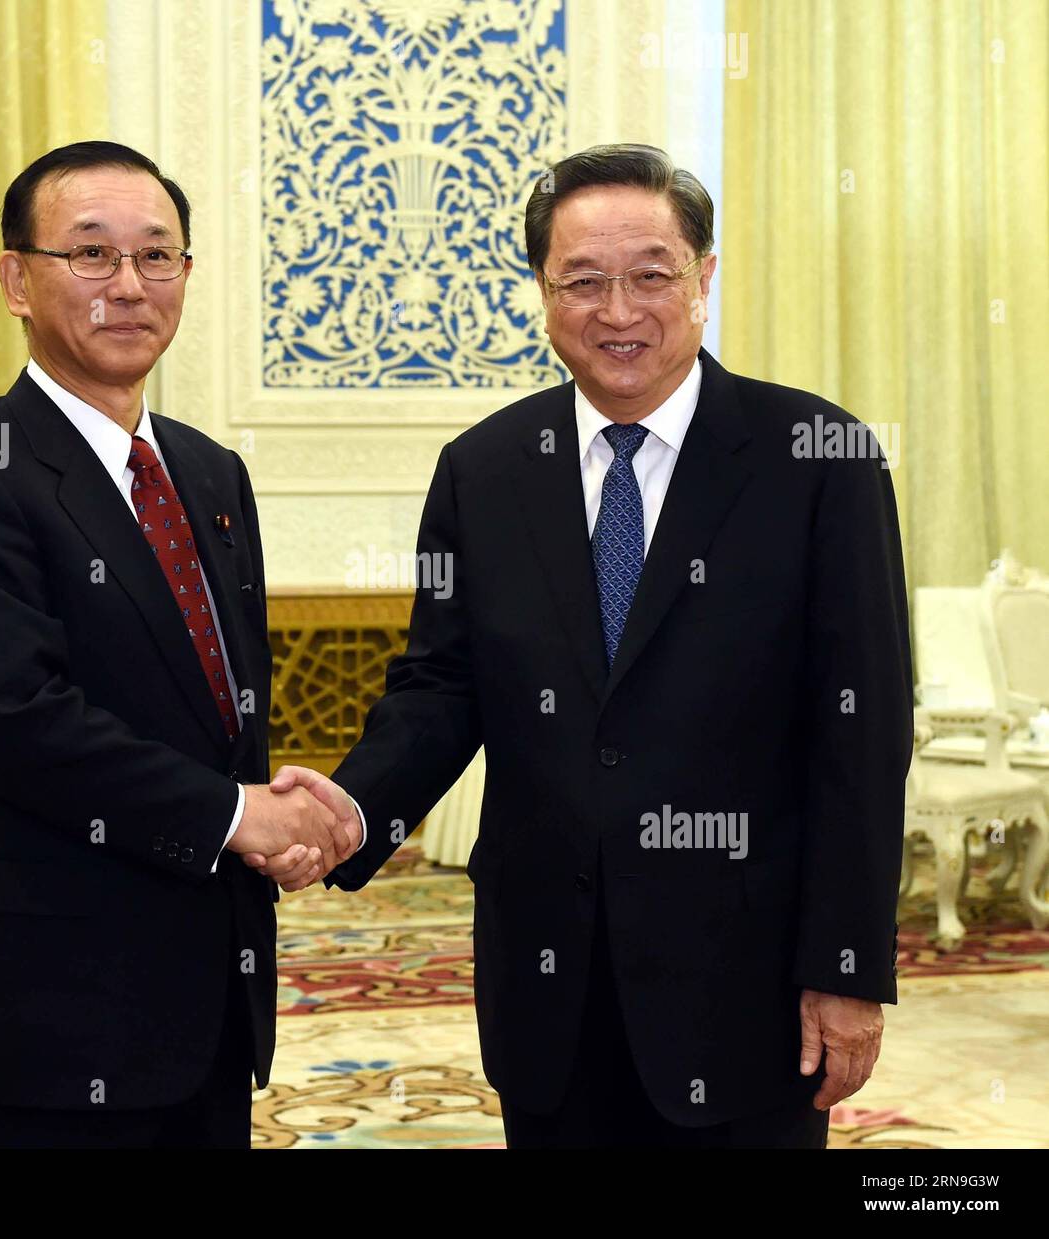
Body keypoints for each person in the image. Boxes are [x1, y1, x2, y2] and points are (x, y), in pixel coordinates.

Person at [249, 143, 913, 1148]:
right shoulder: (483, 470)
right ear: (542, 294)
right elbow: (441, 686)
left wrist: (847, 967)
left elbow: (859, 736)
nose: (619, 312)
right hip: (546, 978)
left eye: (652, 276)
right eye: (583, 282)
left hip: (747, 982)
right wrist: (350, 810)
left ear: (704, 279)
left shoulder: (817, 460)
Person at [0, 141, 358, 1148]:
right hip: (53, 1013)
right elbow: (18, 721)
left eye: (158, 257)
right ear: (17, 279)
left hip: (212, 999)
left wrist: (272, 810)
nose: (129, 286)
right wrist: (237, 816)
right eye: (91, 255)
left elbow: (222, 711)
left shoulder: (209, 472)